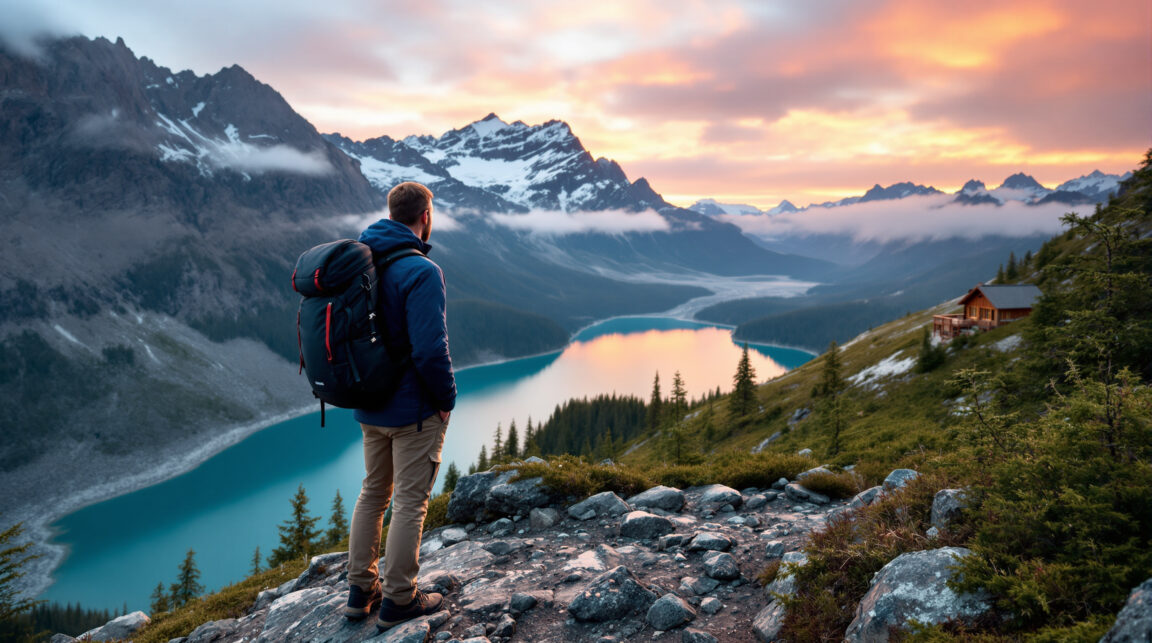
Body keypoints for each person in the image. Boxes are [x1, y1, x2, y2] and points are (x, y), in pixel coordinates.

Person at [344, 181, 456, 629]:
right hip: (412, 411)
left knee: (372, 494)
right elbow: (431, 349)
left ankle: (359, 591)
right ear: (425, 216)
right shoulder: (422, 271)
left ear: (390, 212)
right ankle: (399, 600)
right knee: (410, 502)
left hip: (368, 403)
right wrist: (446, 399)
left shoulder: (360, 261)